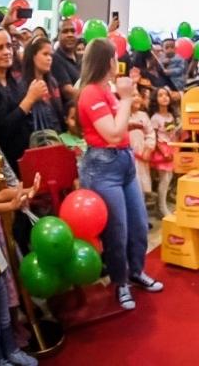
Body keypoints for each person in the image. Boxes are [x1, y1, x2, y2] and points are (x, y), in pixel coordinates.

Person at [77, 38, 163, 310]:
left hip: (123, 161)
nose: (120, 63)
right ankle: (120, 281)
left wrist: (128, 110)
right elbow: (112, 133)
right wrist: (126, 98)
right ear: (106, 61)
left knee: (138, 223)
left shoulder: (106, 90)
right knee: (117, 229)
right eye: (115, 57)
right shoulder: (90, 92)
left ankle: (135, 271)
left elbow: (120, 126)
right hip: (103, 166)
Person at [0, 156, 39, 366]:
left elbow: (1, 194)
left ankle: (11, 350)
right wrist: (12, 205)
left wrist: (27, 190)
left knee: (4, 320)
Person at [0, 28, 47, 170]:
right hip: (3, 165)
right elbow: (3, 129)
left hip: (23, 158)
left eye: (9, 46)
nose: (7, 52)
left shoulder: (12, 80)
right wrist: (30, 98)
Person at [21, 35, 65, 135]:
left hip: (56, 137)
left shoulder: (52, 83)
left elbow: (58, 115)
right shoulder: (23, 85)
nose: (49, 58)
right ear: (33, 56)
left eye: (51, 55)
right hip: (36, 138)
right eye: (45, 54)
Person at [149, 87, 179, 217]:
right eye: (160, 95)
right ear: (155, 99)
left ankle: (160, 205)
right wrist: (163, 151)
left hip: (171, 147)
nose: (164, 97)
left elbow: (172, 133)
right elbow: (153, 136)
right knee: (164, 179)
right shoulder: (155, 118)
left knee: (169, 178)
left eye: (166, 95)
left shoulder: (170, 115)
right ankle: (162, 207)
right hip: (162, 149)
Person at [128, 89, 155, 202]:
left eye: (138, 95)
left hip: (142, 155)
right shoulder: (121, 116)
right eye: (133, 95)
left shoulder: (143, 115)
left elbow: (150, 133)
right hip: (129, 157)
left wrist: (148, 148)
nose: (137, 98)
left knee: (143, 186)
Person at [51, 18, 80, 103]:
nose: (70, 34)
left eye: (73, 31)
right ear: (58, 35)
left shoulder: (80, 58)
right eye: (65, 31)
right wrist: (93, 96)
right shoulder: (55, 58)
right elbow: (68, 92)